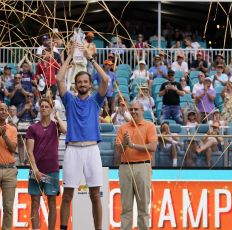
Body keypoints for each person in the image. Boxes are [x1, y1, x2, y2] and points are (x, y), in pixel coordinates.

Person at [56, 42, 109, 230]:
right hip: (73, 150)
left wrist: (91, 59)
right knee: (67, 194)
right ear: (76, 85)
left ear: (89, 84)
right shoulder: (69, 99)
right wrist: (70, 56)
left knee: (95, 195)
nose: (83, 84)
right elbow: (59, 79)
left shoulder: (96, 100)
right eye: (79, 82)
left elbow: (105, 80)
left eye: (86, 81)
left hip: (92, 149)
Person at [114, 101, 157, 229]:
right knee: (126, 207)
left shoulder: (149, 126)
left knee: (143, 207)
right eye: (131, 109)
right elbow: (119, 150)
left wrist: (133, 145)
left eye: (136, 109)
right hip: (125, 167)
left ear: (142, 110)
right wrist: (126, 144)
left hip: (143, 166)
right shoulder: (123, 128)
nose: (133, 111)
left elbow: (153, 147)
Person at [26, 98, 67, 230]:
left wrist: (58, 117)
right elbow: (29, 151)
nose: (43, 108)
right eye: (42, 106)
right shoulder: (32, 128)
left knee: (52, 202)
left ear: (51, 109)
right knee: (35, 202)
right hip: (35, 171)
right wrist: (36, 170)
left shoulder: (56, 126)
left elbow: (66, 130)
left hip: (52, 170)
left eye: (46, 106)